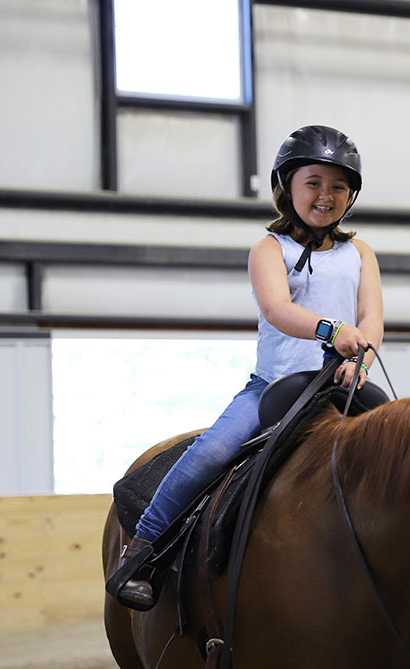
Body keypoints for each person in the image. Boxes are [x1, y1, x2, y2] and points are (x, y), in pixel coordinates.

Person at [112, 124, 384, 610]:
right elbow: (279, 309)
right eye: (314, 183)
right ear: (288, 187)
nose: (326, 195)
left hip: (339, 386)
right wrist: (331, 331)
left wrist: (360, 360)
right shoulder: (268, 250)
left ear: (351, 195)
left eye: (338, 186)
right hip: (273, 387)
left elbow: (372, 319)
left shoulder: (360, 253)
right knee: (212, 453)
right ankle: (143, 551)